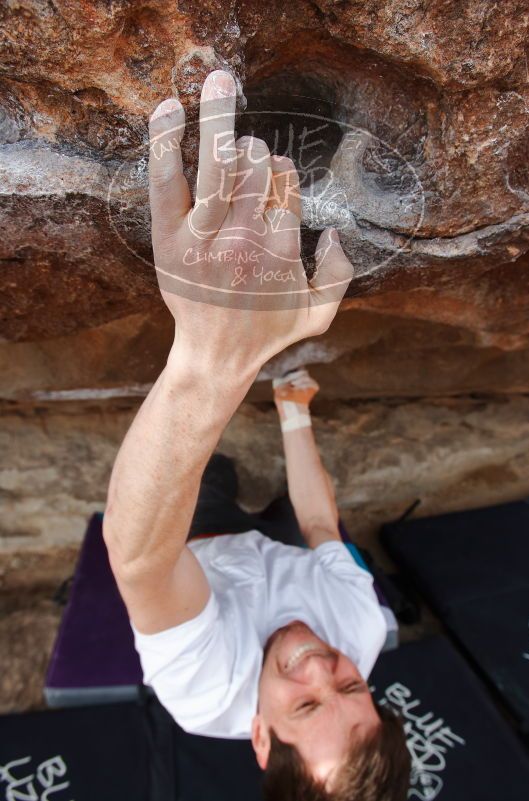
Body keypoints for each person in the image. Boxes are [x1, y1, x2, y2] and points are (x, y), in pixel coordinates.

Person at [103, 69, 410, 800]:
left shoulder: (204, 691)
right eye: (349, 685)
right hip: (274, 548)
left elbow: (141, 559)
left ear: (262, 736)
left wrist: (212, 359)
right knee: (279, 509)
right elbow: (314, 522)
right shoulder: (358, 632)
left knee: (205, 475)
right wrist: (293, 410)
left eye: (306, 703)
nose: (318, 661)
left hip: (193, 550)